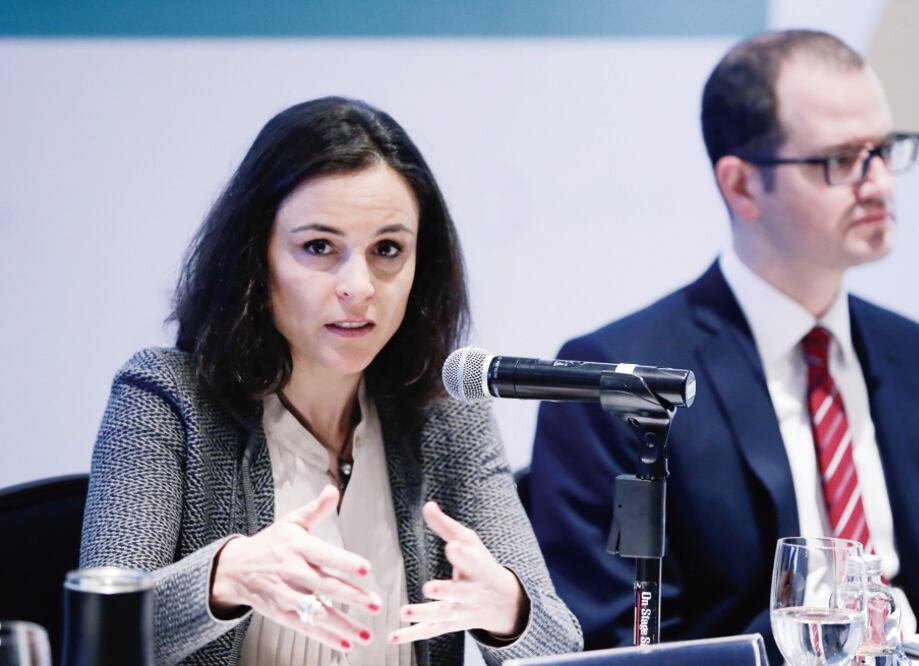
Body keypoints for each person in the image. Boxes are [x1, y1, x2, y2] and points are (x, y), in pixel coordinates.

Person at [529, 29, 919, 660]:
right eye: (841, 160)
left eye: (885, 150)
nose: (881, 184)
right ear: (742, 186)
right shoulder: (620, 378)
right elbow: (613, 644)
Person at [80, 96, 582, 666]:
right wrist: (220, 579)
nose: (359, 286)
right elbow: (100, 640)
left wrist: (511, 613)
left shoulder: (446, 413)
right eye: (319, 247)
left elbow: (561, 646)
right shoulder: (166, 400)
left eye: (387, 250)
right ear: (256, 256)